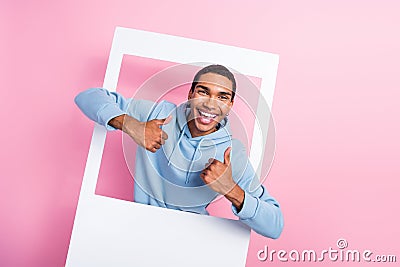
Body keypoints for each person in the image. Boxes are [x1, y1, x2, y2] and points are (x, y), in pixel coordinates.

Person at [75, 64, 283, 238]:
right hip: (136, 230)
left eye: (222, 97)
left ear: (230, 104)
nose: (211, 104)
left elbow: (275, 226)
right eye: (203, 92)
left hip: (191, 242)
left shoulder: (232, 154)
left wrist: (231, 190)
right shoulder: (159, 114)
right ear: (191, 93)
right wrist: (129, 124)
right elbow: (89, 96)